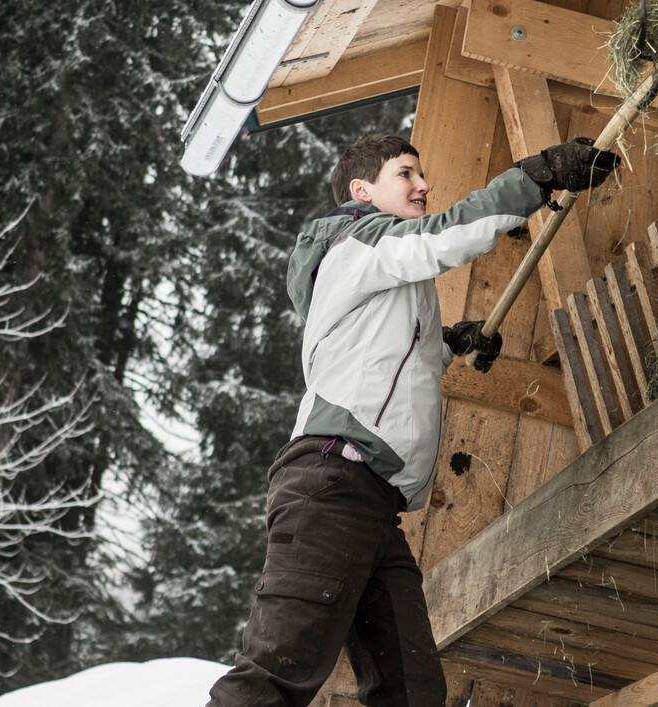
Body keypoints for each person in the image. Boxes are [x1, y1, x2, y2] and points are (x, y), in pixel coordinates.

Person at [206, 133, 620, 707]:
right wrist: (538, 176)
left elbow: (391, 357)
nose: (422, 185)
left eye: (420, 174)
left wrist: (449, 344)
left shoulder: (377, 274)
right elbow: (443, 237)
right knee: (275, 675)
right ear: (362, 189)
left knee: (411, 692)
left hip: (373, 508)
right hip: (331, 486)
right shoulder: (357, 241)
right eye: (406, 174)